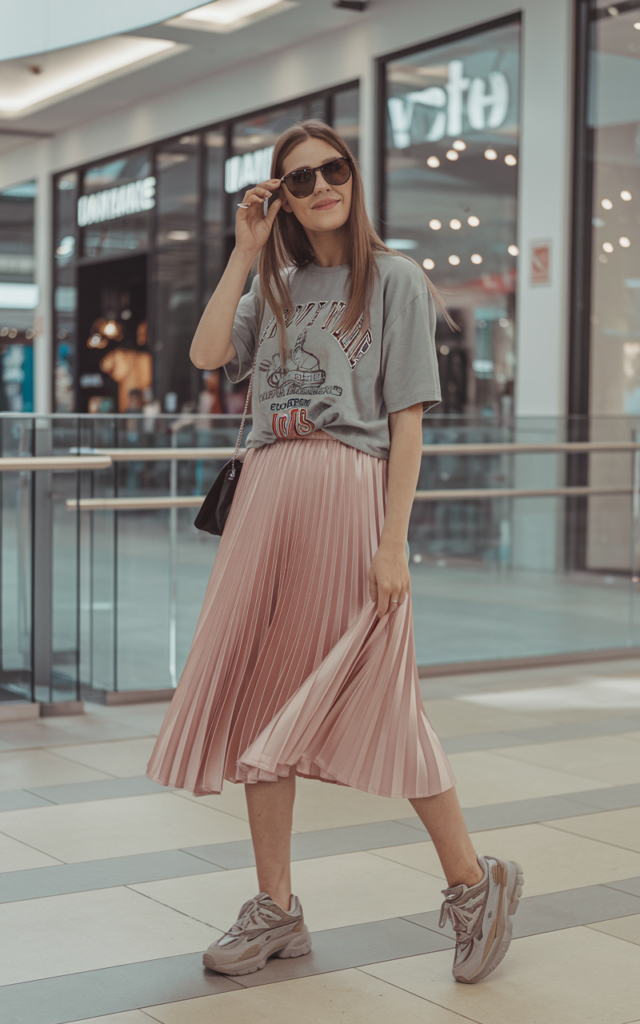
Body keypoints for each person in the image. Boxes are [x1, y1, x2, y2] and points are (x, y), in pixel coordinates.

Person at [146, 120, 523, 984]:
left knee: (383, 692)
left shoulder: (392, 280)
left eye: (332, 169)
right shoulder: (274, 286)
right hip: (266, 501)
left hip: (349, 498)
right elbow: (208, 354)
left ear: (353, 177)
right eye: (300, 178)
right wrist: (243, 255)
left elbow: (408, 423)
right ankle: (276, 908)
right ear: (280, 197)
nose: (320, 186)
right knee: (258, 697)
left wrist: (394, 544)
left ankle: (474, 884)